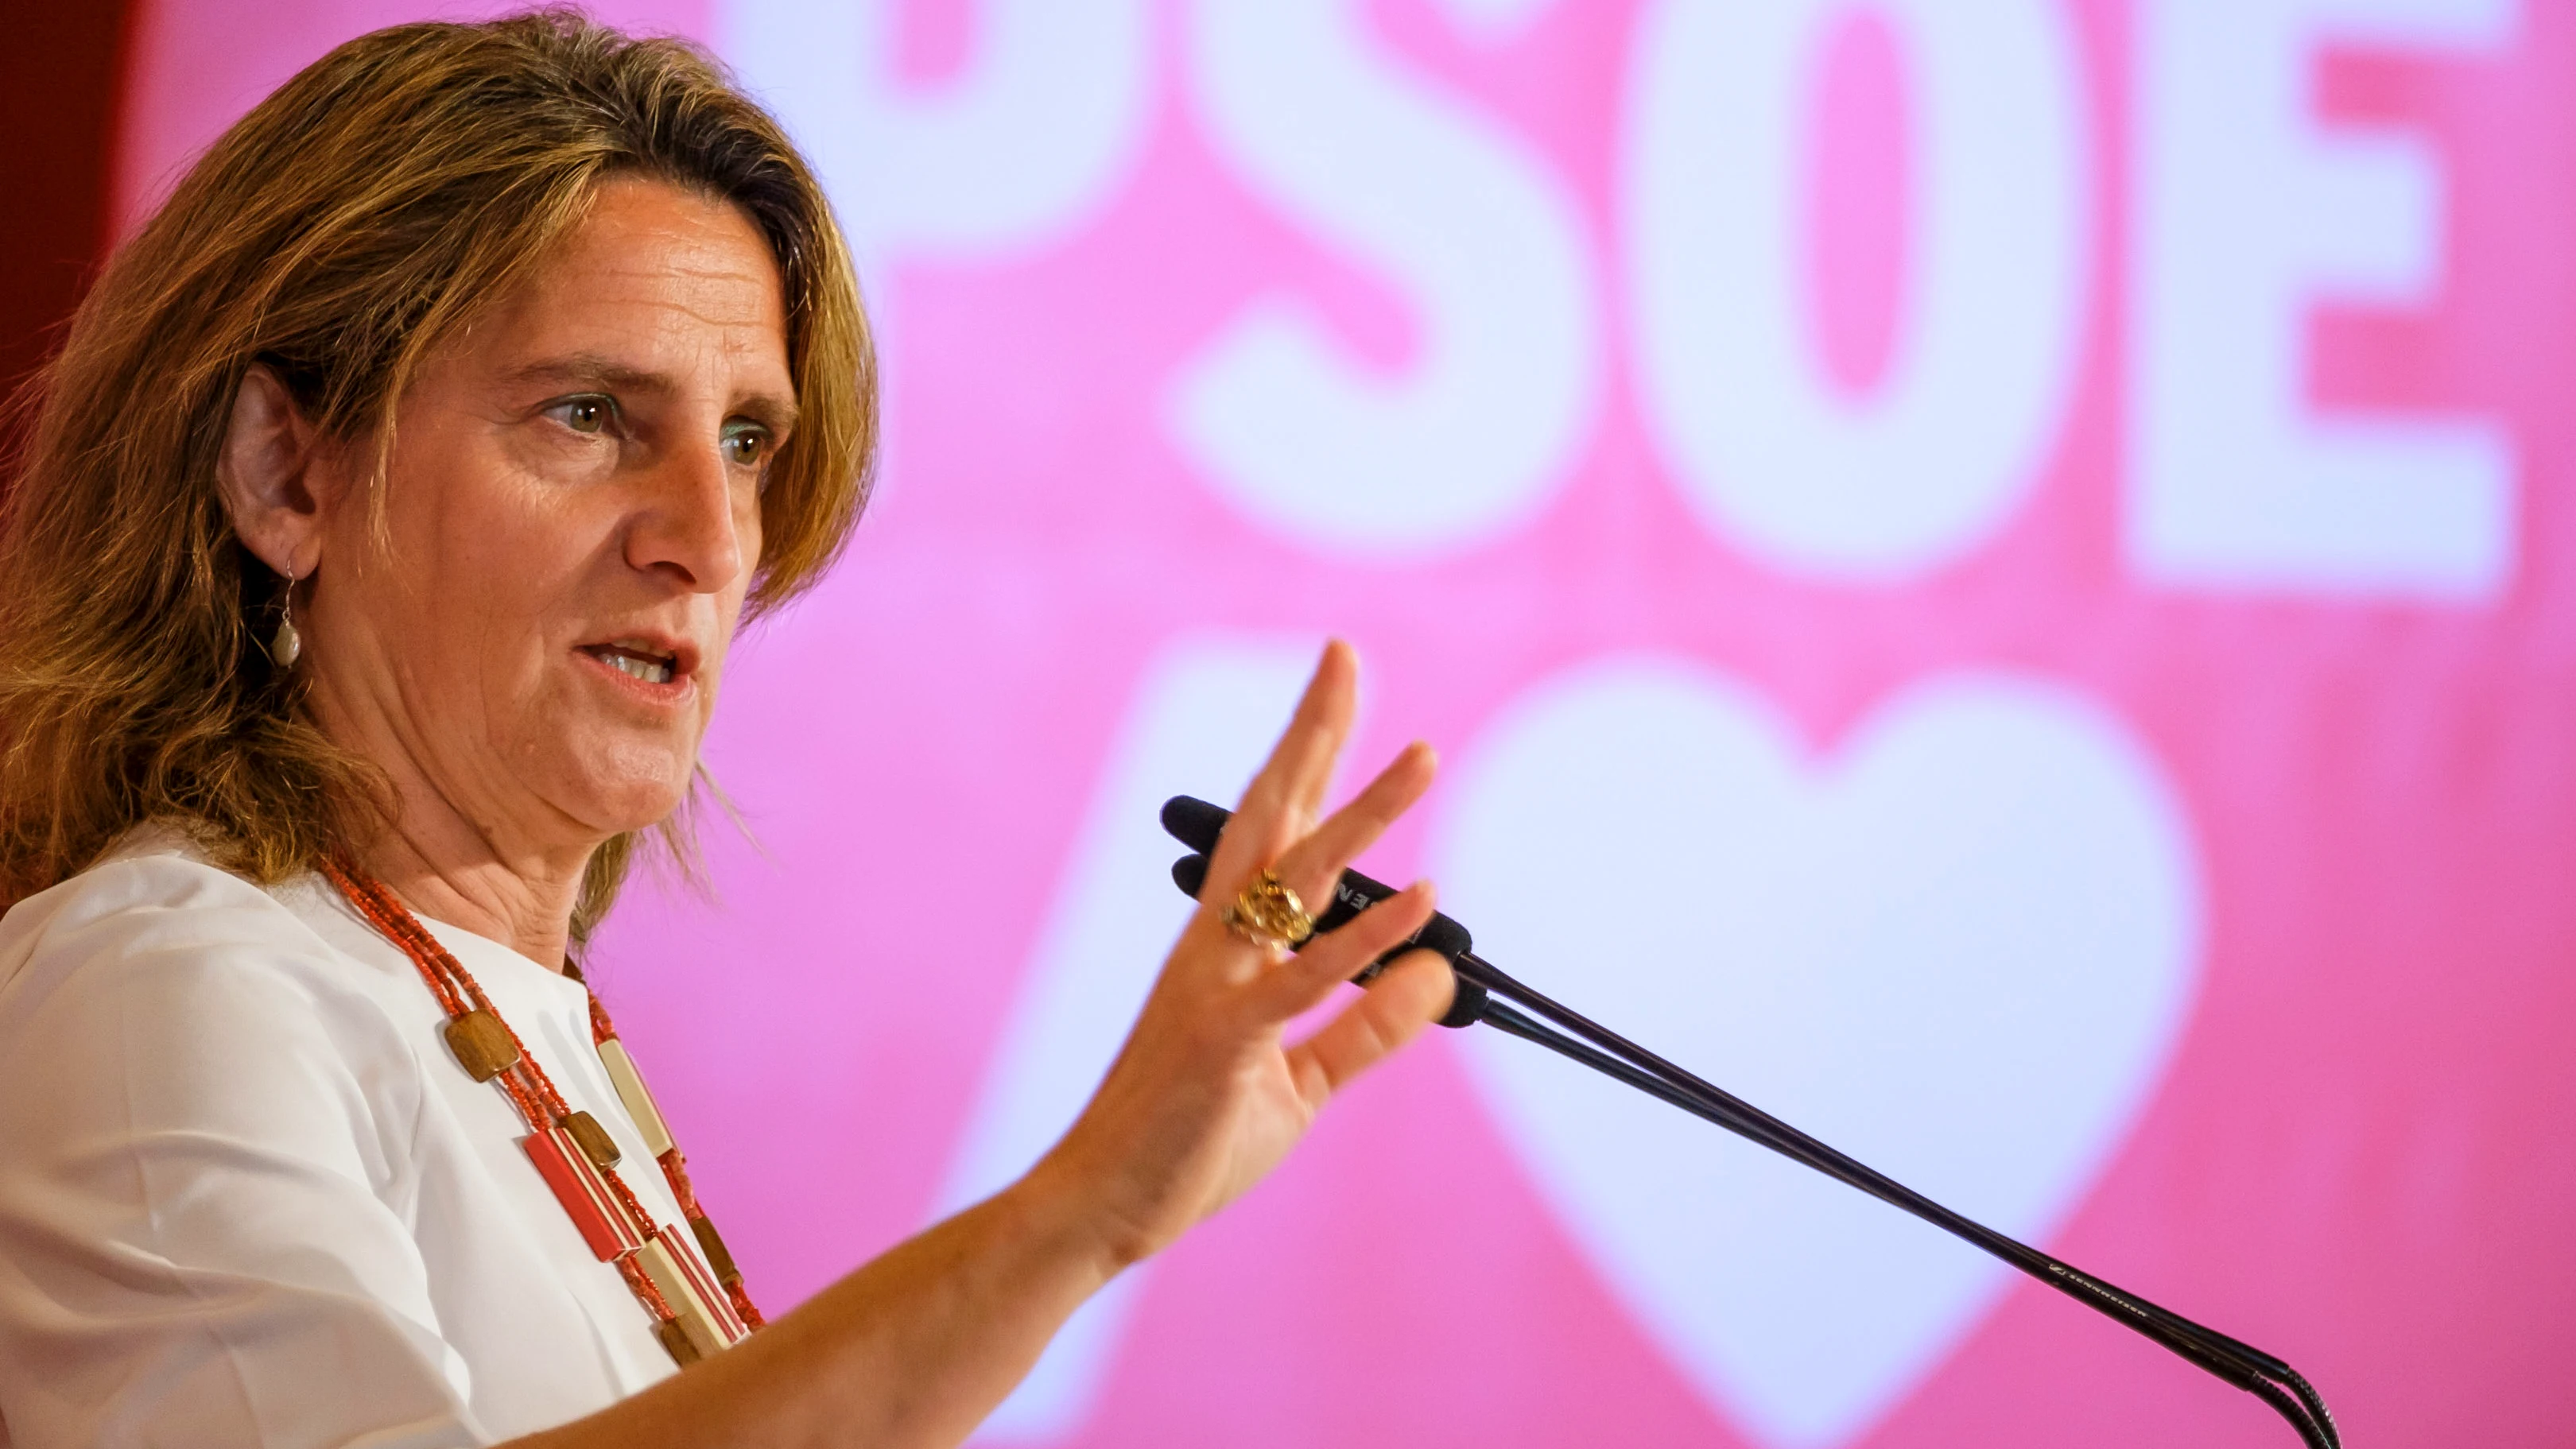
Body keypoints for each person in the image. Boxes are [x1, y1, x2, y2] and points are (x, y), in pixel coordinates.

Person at [0, 14, 1456, 1447]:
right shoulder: (162, 982)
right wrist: (1080, 1213)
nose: (710, 536)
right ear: (287, 477)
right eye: (587, 413)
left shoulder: (495, 1015)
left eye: (747, 441)